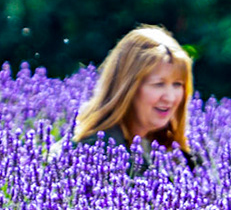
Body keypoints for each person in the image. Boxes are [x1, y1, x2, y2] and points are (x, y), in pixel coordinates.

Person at [56, 24, 202, 170]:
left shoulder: (180, 156)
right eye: (158, 84)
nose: (170, 97)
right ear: (127, 88)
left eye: (177, 84)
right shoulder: (94, 153)